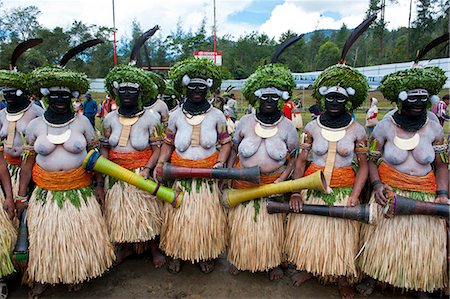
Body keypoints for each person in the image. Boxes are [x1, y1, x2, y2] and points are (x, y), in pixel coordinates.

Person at [17, 65, 115, 298]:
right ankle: (45, 276)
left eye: (64, 96)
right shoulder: (35, 126)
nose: (60, 100)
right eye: (54, 96)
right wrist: (22, 195)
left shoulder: (83, 123)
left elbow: (95, 159)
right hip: (47, 194)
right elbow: (27, 163)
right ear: (46, 96)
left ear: (73, 98)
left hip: (79, 191)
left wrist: (100, 186)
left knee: (76, 239)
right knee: (45, 238)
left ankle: (74, 274)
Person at [357, 66, 448, 296]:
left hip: (424, 194)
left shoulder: (435, 129)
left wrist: (443, 193)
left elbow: (441, 165)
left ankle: (419, 282)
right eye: (412, 98)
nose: (417, 103)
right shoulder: (384, 127)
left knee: (422, 244)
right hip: (388, 192)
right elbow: (372, 161)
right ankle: (374, 275)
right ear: (400, 98)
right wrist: (376, 185)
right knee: (380, 241)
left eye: (422, 99)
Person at [285, 64, 369, 299]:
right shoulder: (312, 127)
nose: (334, 102)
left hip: (343, 190)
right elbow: (301, 162)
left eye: (339, 98)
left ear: (347, 101)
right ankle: (309, 268)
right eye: (330, 97)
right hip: (313, 187)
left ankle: (342, 278)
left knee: (341, 237)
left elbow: (363, 167)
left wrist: (354, 195)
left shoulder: (358, 130)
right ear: (323, 98)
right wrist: (295, 191)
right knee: (311, 232)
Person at [154, 58, 231, 274]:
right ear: (185, 88)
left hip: (207, 178)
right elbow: (168, 144)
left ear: (208, 88)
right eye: (192, 86)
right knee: (179, 218)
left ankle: (204, 253)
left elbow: (226, 143)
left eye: (201, 87)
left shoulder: (217, 116)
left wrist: (221, 162)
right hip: (179, 178)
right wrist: (160, 163)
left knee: (204, 221)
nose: (197, 90)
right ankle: (177, 252)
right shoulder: (175, 116)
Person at [226, 64, 299, 280]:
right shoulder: (245, 122)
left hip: (273, 185)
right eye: (265, 98)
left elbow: (293, 159)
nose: (269, 102)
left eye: (273, 98)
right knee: (243, 227)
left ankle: (272, 262)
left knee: (270, 228)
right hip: (242, 184)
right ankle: (240, 257)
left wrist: (282, 181)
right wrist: (229, 173)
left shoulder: (288, 127)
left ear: (279, 100)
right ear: (258, 99)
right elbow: (232, 148)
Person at [101, 64, 165, 268]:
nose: (127, 94)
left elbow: (157, 148)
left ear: (139, 93)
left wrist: (147, 169)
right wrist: (105, 171)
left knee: (147, 212)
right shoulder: (109, 119)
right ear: (117, 93)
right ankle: (126, 248)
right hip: (115, 173)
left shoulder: (151, 118)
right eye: (123, 91)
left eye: (132, 91)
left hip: (141, 172)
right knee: (121, 215)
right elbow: (104, 147)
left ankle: (154, 248)